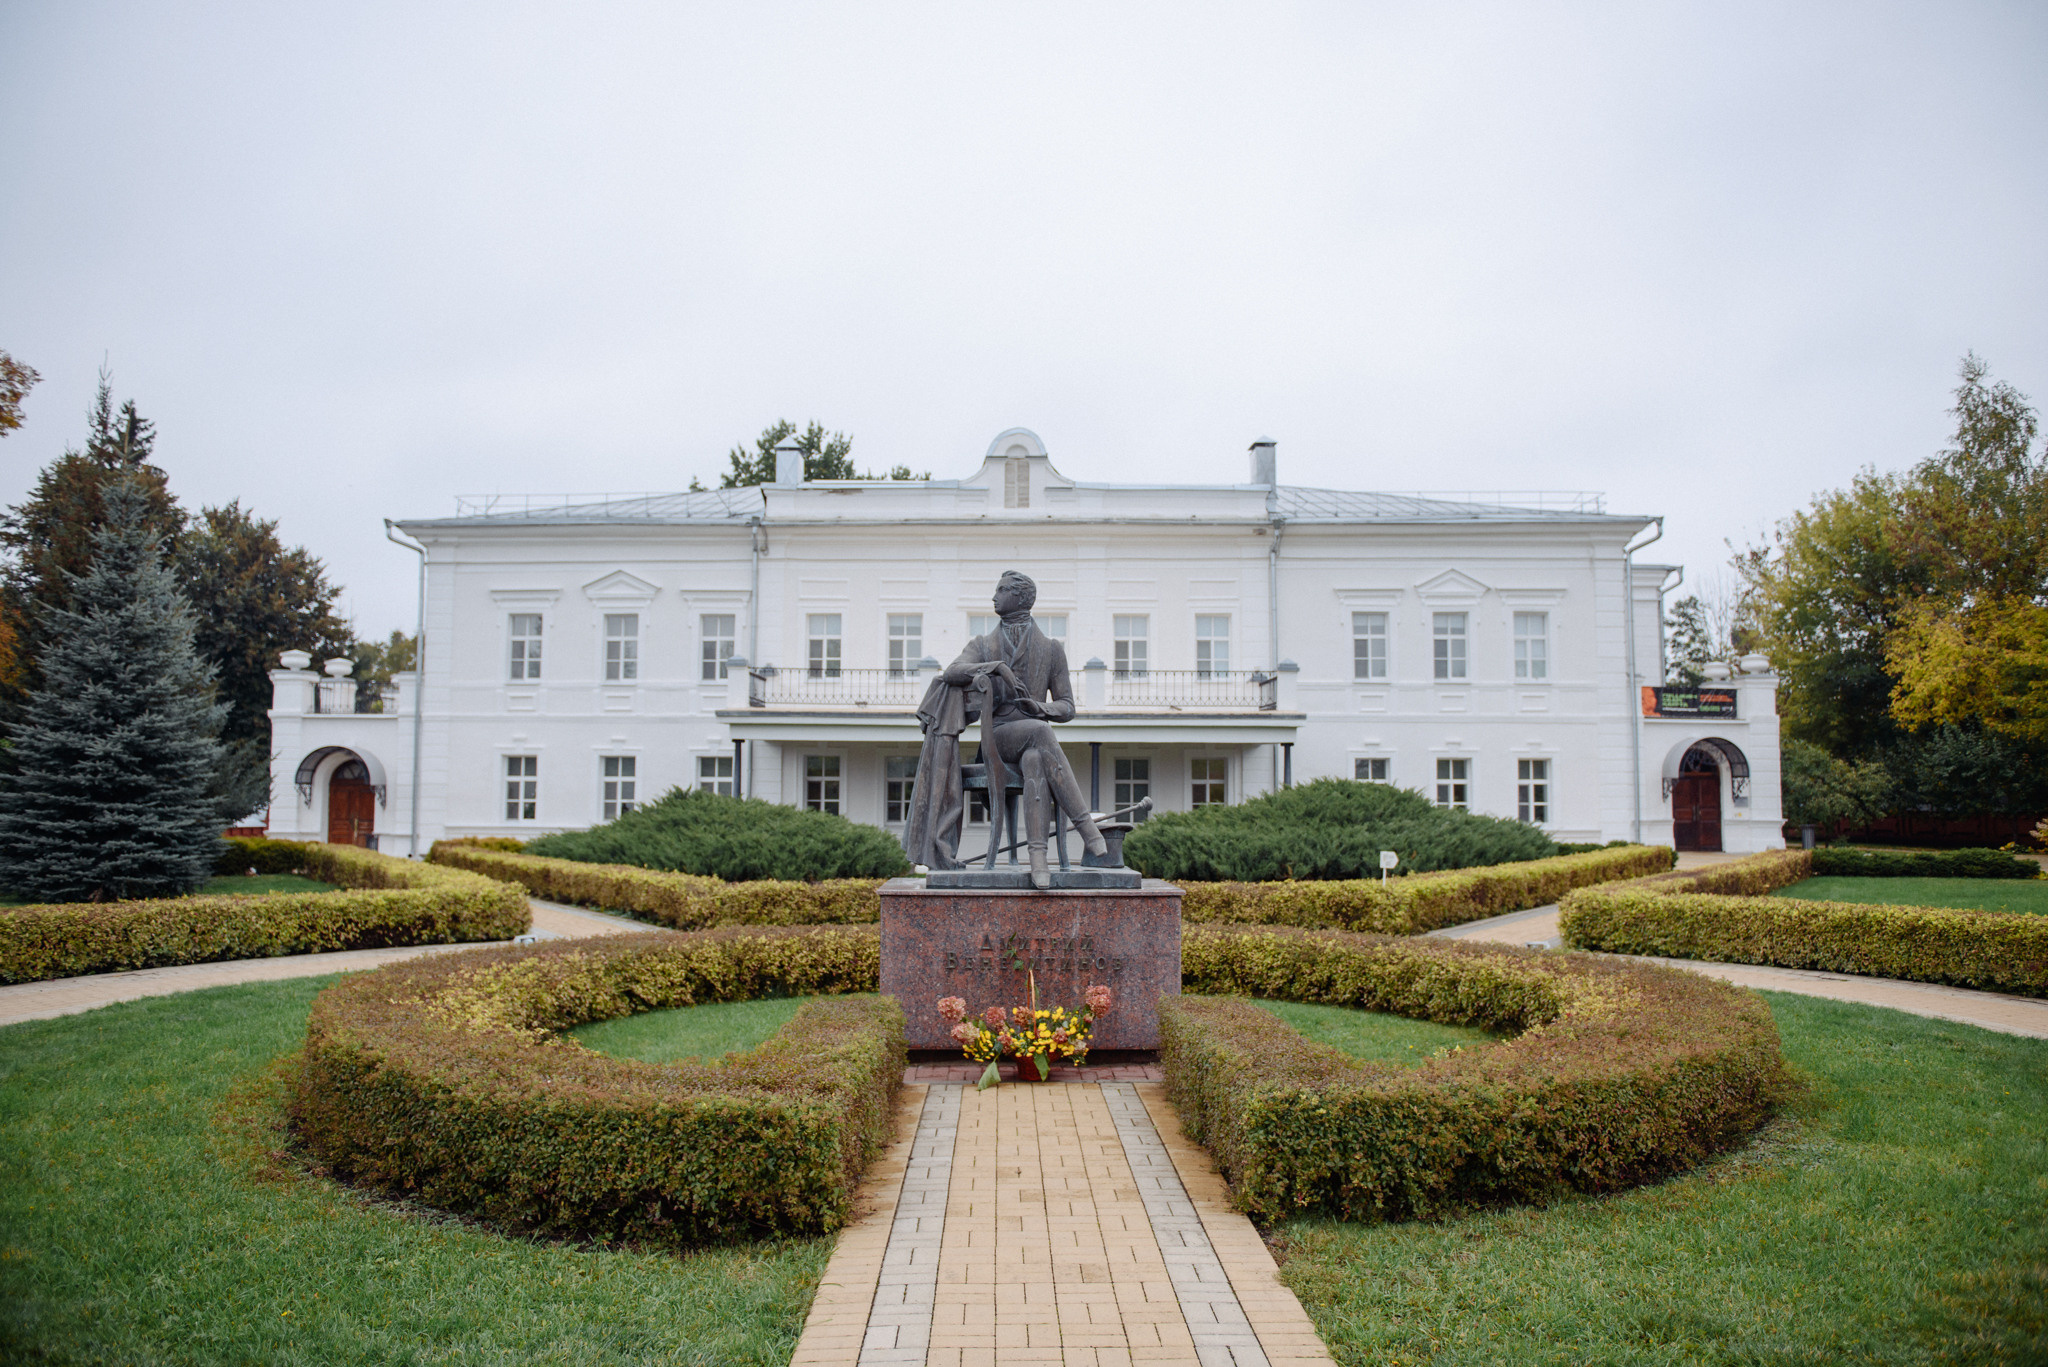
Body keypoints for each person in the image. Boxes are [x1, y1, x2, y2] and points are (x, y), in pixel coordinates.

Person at [902, 570, 1108, 887]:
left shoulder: (1052, 649)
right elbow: (953, 672)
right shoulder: (984, 645)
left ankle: (1038, 858)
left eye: (1001, 590)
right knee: (1041, 732)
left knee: (1035, 758)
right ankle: (1085, 825)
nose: (994, 597)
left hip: (1034, 742)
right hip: (997, 738)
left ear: (1021, 597)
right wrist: (995, 667)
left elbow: (1067, 706)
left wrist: (1040, 708)